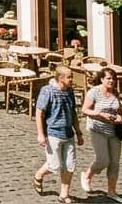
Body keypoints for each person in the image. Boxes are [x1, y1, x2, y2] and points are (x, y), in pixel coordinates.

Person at [34, 65, 83, 202]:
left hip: (68, 134)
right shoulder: (47, 91)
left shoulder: (69, 91)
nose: (72, 79)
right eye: (69, 77)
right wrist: (40, 134)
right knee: (54, 166)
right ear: (60, 78)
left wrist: (78, 132)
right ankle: (38, 175)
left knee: (69, 165)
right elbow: (39, 113)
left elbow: (73, 112)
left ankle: (64, 194)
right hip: (53, 133)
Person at [81, 67, 122, 202]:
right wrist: (100, 114)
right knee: (103, 160)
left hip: (114, 131)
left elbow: (120, 112)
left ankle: (112, 192)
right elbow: (85, 110)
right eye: (108, 78)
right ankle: (87, 175)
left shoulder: (116, 94)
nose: (111, 81)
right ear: (102, 79)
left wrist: (119, 118)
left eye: (113, 79)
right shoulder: (94, 92)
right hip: (97, 129)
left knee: (114, 163)